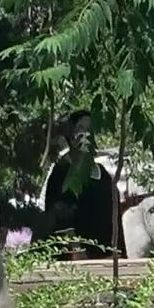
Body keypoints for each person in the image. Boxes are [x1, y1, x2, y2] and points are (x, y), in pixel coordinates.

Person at [40, 110, 122, 260]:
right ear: (71, 135)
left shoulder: (103, 174)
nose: (87, 135)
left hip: (106, 258)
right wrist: (76, 251)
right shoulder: (62, 172)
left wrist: (117, 252)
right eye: (82, 129)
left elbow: (114, 217)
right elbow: (58, 216)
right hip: (75, 261)